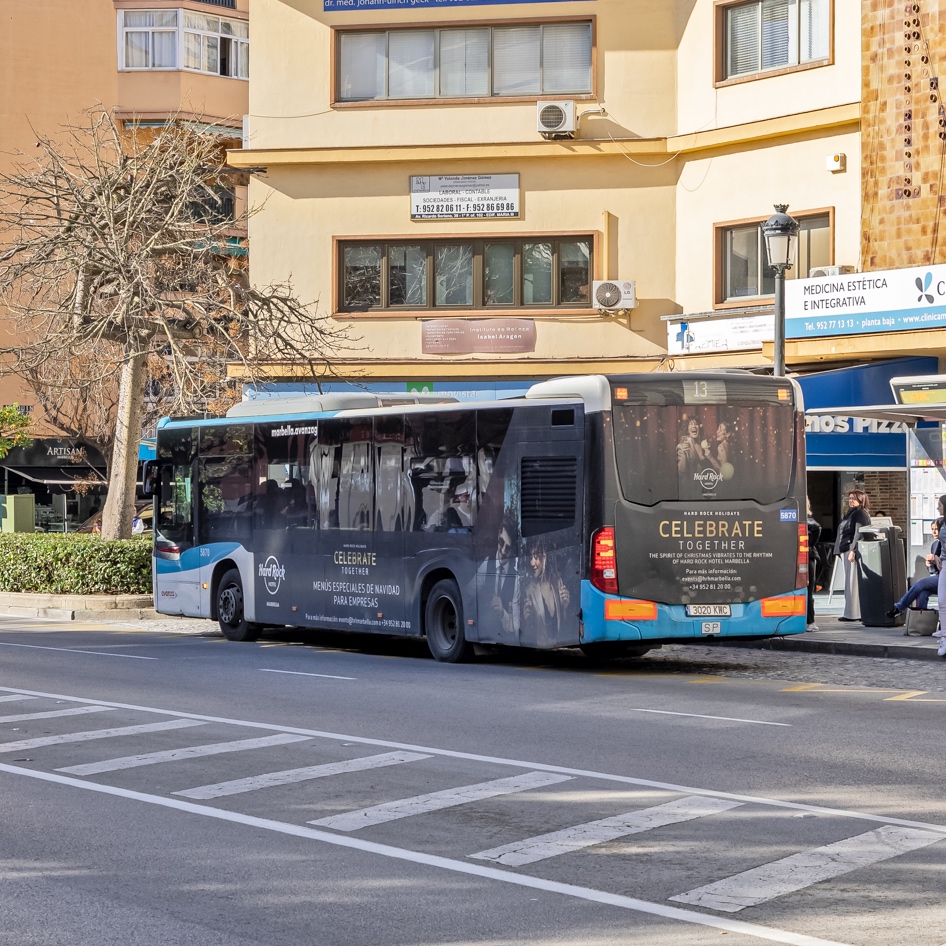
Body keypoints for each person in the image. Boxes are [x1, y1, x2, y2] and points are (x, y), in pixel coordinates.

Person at [887, 517, 942, 617]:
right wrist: (929, 564)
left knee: (920, 583)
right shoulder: (934, 545)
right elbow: (933, 570)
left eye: (936, 529)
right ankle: (921, 621)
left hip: (943, 578)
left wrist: (937, 559)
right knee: (922, 592)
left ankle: (899, 607)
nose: (934, 532)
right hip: (937, 577)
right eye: (932, 529)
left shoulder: (944, 544)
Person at [522, 536, 570, 646]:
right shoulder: (528, 591)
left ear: (544, 558)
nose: (532, 563)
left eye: (536, 557)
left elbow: (565, 624)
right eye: (530, 558)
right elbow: (528, 634)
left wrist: (566, 607)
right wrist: (527, 620)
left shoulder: (557, 584)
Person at [834, 488, 871, 622]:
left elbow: (858, 532)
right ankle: (852, 612)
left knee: (852, 583)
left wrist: (853, 550)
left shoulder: (860, 513)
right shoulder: (851, 513)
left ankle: (853, 614)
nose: (851, 501)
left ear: (861, 500)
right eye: (849, 498)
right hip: (846, 549)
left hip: (851, 550)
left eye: (854, 498)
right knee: (850, 583)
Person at [806, 499, 822, 631]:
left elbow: (816, 528)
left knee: (808, 590)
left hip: (808, 557)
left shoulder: (806, 518)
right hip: (807, 556)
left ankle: (810, 621)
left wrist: (809, 544)